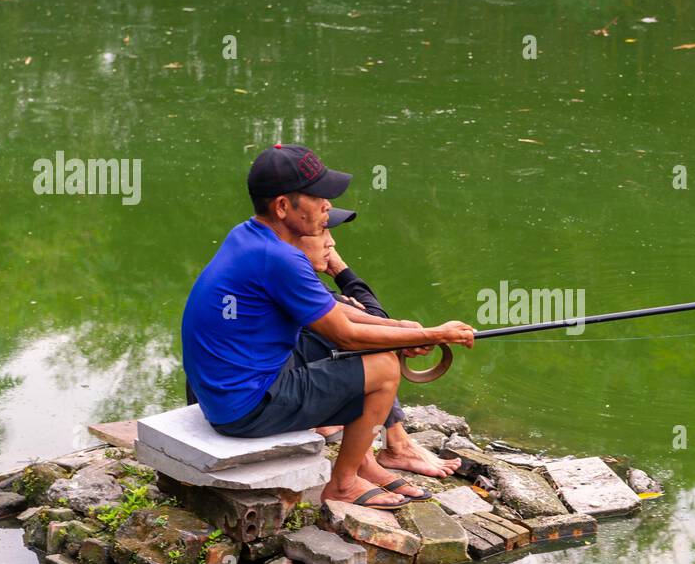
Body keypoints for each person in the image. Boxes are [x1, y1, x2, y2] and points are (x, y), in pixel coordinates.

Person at [180, 144, 474, 510]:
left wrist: (399, 328)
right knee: (381, 368)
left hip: (223, 391)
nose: (327, 207)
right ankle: (344, 483)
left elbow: (330, 310)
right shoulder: (281, 258)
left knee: (368, 347)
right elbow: (345, 336)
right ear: (283, 206)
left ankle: (364, 460)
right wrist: (432, 335)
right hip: (243, 407)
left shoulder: (249, 235)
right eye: (318, 198)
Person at [299, 219, 462, 478]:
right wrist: (341, 270)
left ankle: (388, 441)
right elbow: (359, 329)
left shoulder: (297, 273)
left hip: (274, 385)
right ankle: (394, 446)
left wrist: (401, 332)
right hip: (261, 400)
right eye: (322, 232)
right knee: (370, 350)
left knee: (368, 341)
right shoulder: (290, 276)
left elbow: (372, 318)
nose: (332, 242)